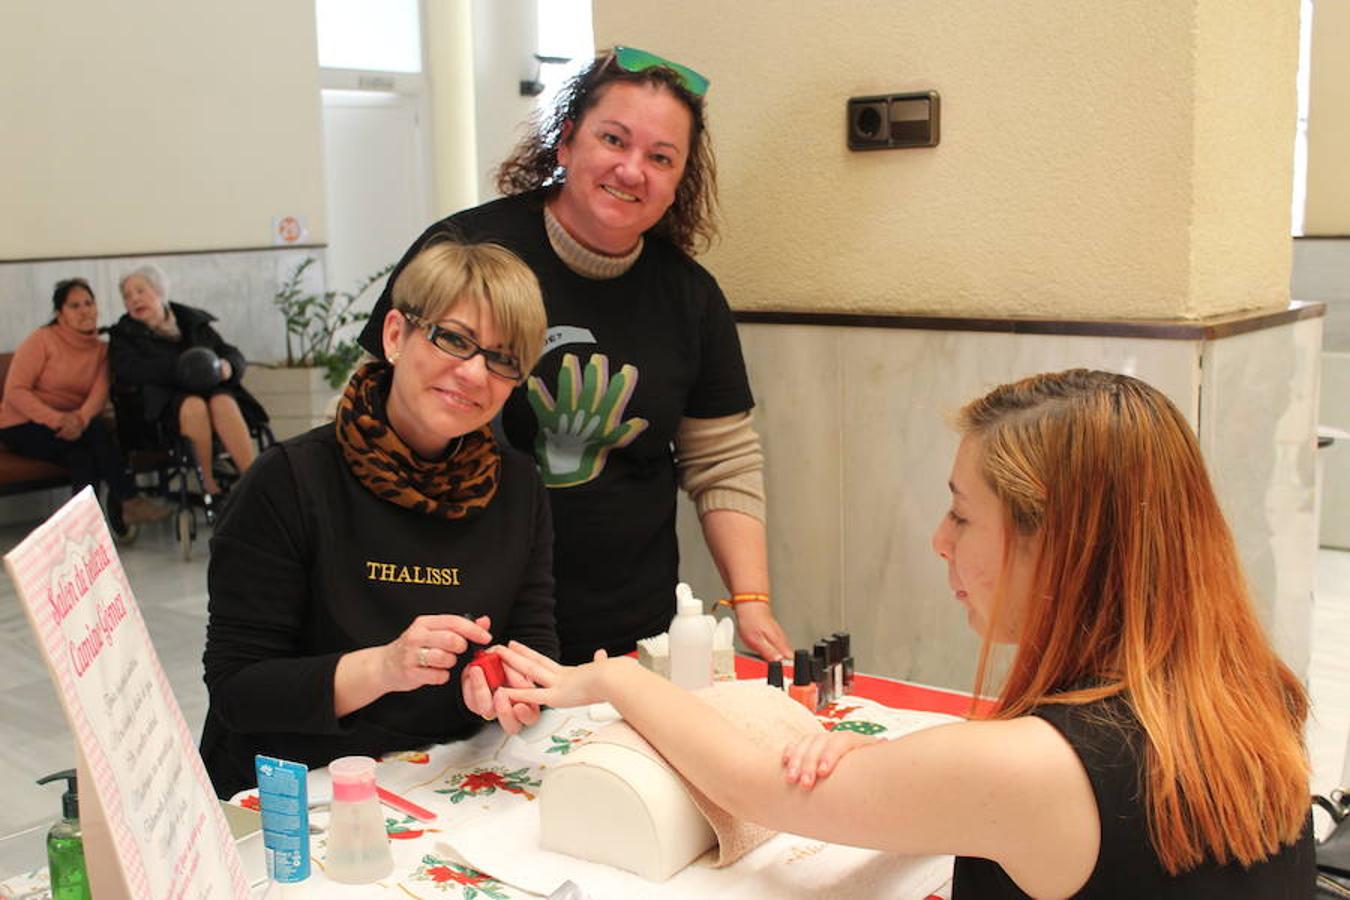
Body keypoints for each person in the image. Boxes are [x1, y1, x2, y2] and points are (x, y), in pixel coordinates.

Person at [494, 369, 1314, 897]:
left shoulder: (1036, 766)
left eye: (962, 513)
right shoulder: (1252, 690)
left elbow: (754, 789)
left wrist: (614, 680)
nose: (939, 540)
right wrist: (904, 768)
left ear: (1055, 546)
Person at [358, 46, 791, 665]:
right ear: (565, 143)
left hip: (627, 633)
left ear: (679, 180)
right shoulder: (467, 251)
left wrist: (751, 598)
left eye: (661, 157)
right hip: (459, 624)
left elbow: (722, 461)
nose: (632, 169)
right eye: (613, 140)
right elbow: (371, 423)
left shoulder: (691, 297)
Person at [200, 240, 558, 798]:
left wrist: (509, 683)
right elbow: (237, 690)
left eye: (503, 357)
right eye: (454, 339)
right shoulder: (288, 481)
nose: (473, 373)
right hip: (299, 793)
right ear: (395, 335)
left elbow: (535, 641)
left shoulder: (517, 486)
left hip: (447, 777)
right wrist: (385, 667)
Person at [0, 278, 171, 539]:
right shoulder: (42, 339)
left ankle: (82, 532)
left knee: (82, 455)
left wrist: (78, 419)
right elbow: (15, 392)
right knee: (93, 434)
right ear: (60, 315)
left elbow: (99, 393)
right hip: (20, 424)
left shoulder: (101, 349)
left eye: (89, 303)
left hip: (74, 427)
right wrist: (60, 420)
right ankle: (128, 501)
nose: (84, 311)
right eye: (75, 306)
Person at [108, 263, 265, 500]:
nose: (134, 299)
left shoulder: (192, 321)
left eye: (140, 291)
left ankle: (253, 482)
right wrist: (183, 369)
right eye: (127, 296)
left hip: (211, 390)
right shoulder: (124, 335)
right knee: (194, 406)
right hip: (163, 404)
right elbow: (129, 369)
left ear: (159, 291)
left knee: (222, 400)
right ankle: (209, 485)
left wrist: (228, 366)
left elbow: (230, 352)